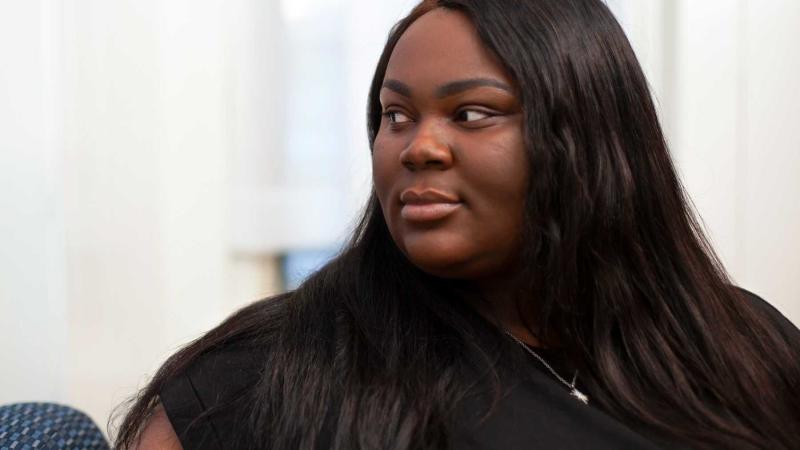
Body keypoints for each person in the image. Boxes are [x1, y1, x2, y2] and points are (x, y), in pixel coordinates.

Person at [115, 1, 800, 449]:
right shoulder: (268, 372)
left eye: (471, 114)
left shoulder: (743, 349)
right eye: (395, 116)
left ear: (590, 136)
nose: (418, 146)